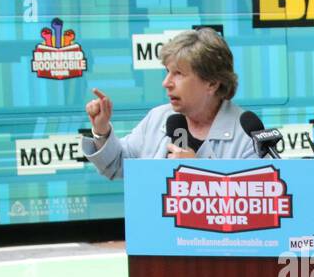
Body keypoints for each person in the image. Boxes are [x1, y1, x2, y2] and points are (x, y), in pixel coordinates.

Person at [80, 27, 257, 177]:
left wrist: (201, 172)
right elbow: (117, 164)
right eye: (167, 72)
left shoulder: (246, 133)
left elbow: (261, 205)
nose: (166, 83)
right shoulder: (158, 118)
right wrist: (101, 130)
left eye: (178, 73)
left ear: (212, 82)